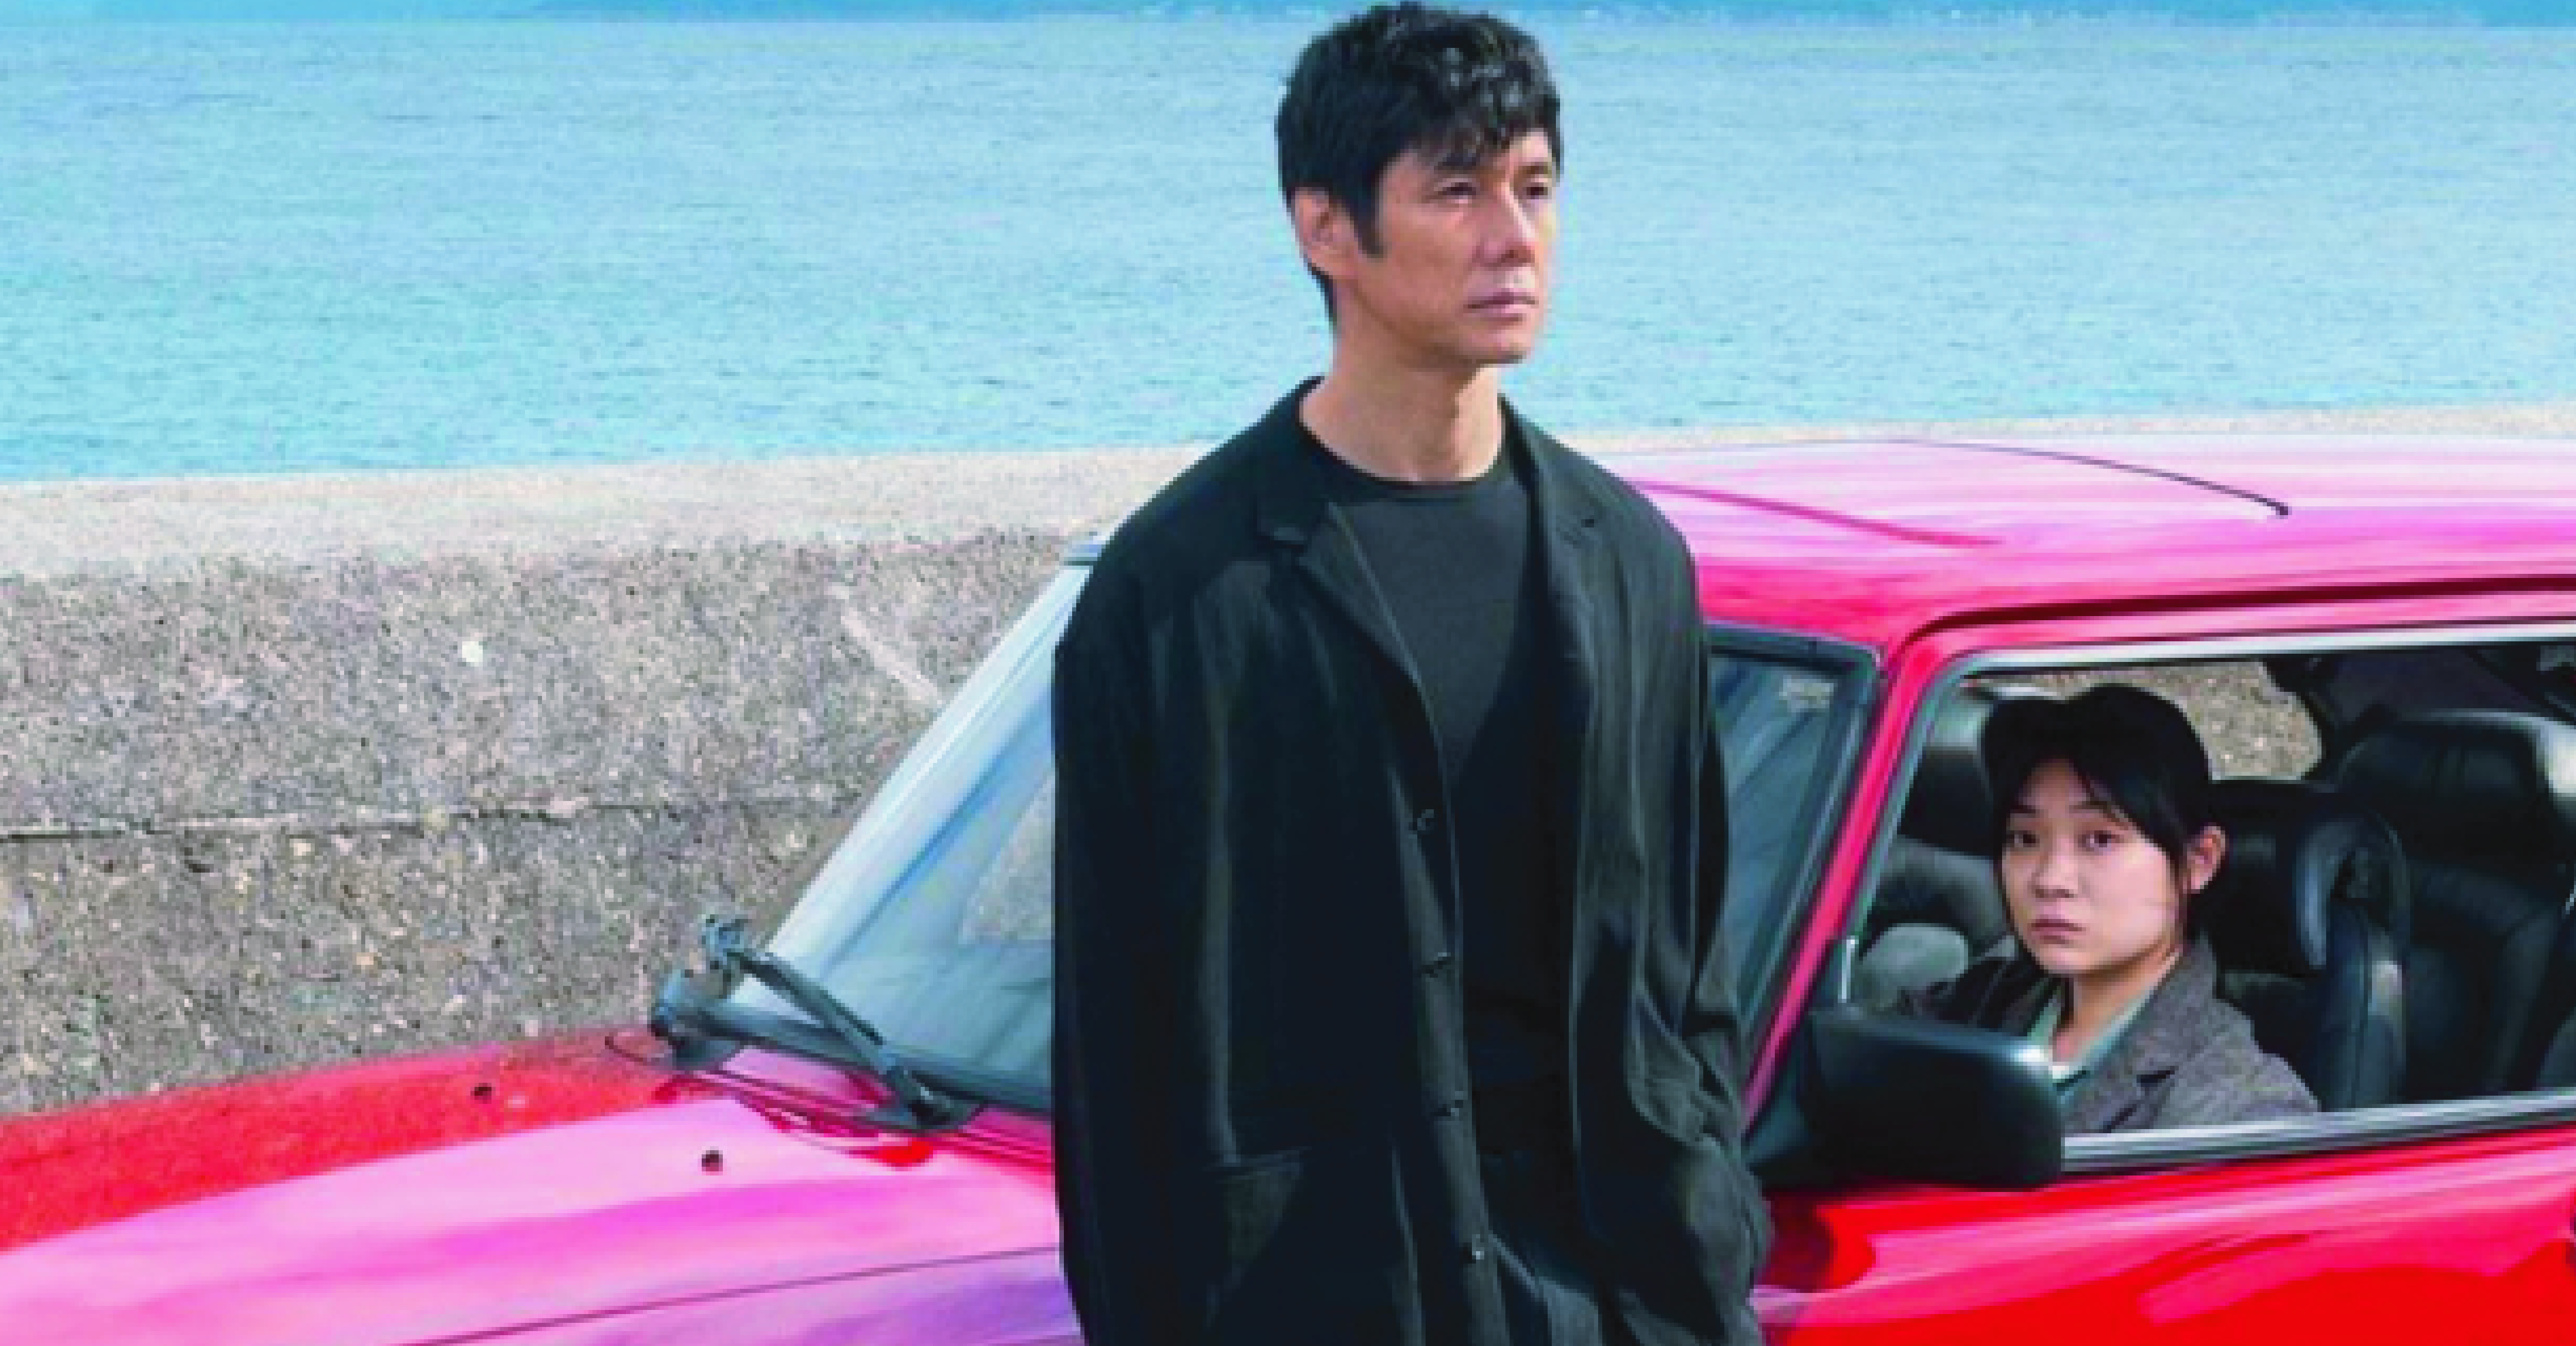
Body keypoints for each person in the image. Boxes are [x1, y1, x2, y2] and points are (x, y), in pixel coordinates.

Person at [1049, 4, 1768, 1344]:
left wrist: (1704, 1231)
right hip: (1317, 1298)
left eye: (1535, 187)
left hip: (1613, 1293)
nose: (1514, 236)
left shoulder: (1631, 562)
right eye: (1456, 191)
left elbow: (1688, 974)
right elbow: (1118, 1055)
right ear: (1326, 228)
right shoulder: (1179, 595)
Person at [1901, 684, 2317, 1133]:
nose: (2050, 879)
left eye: (2099, 840)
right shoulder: (1984, 1002)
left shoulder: (2238, 1108)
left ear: (2199, 861)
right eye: (2025, 838)